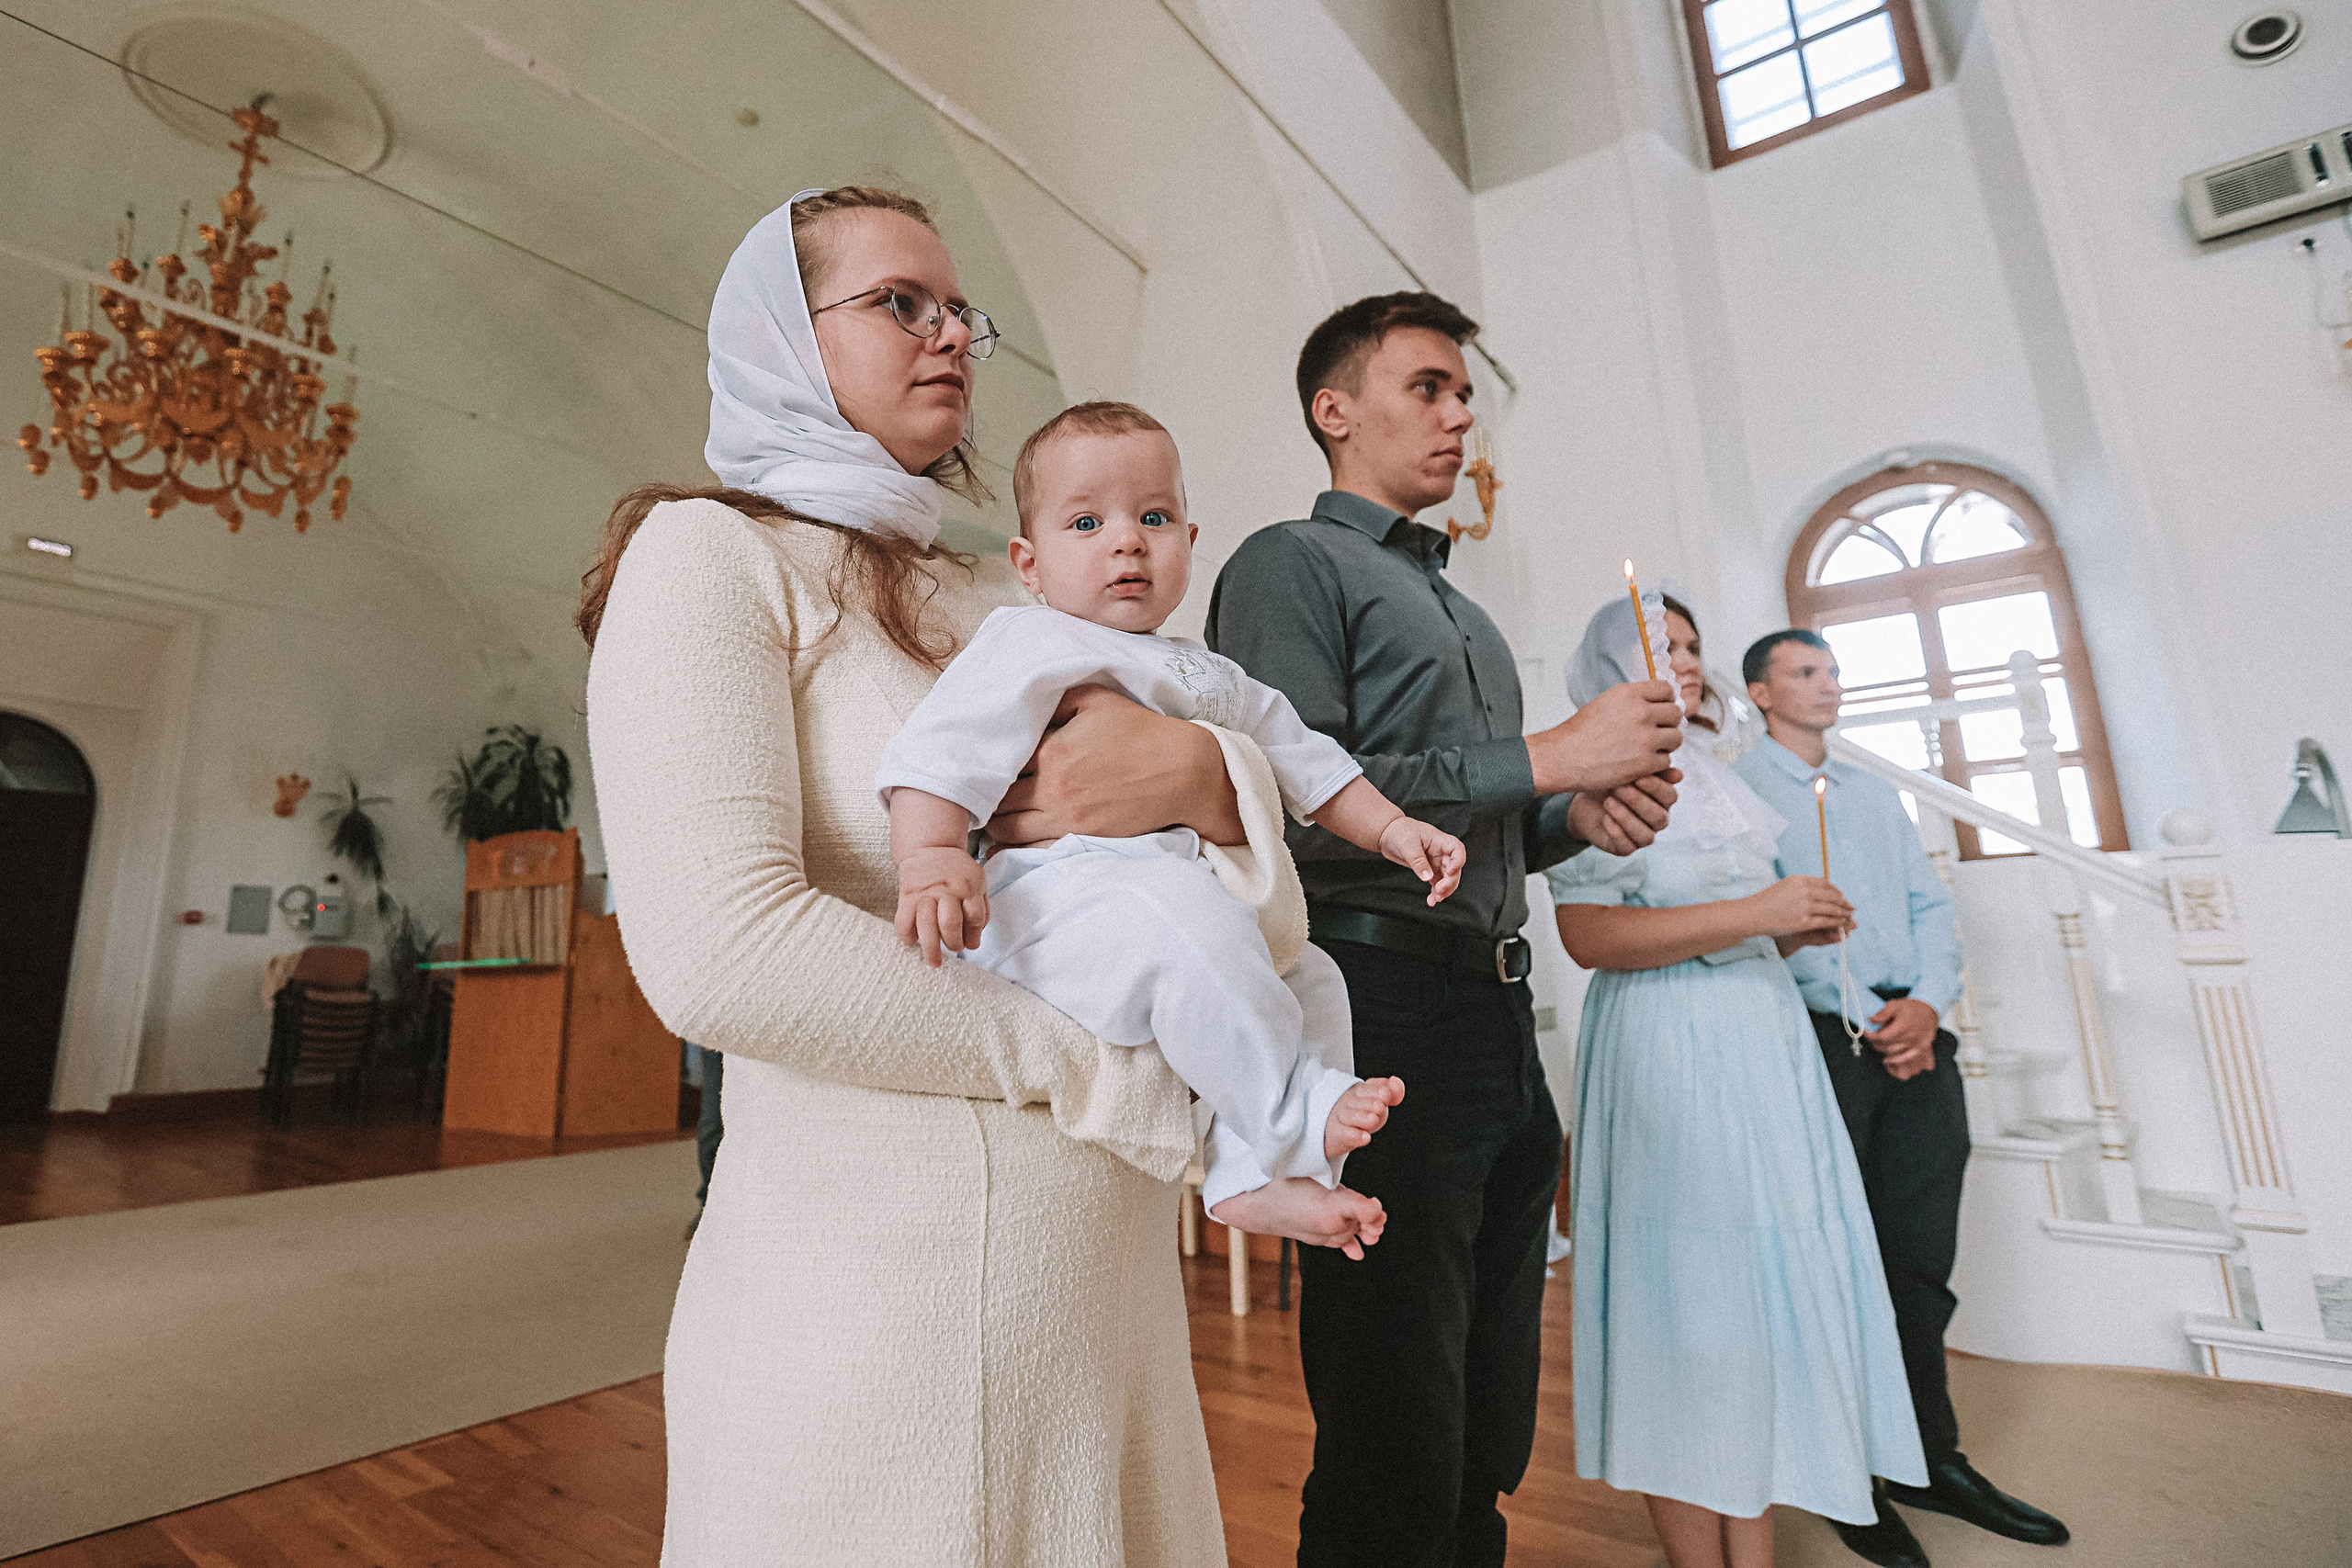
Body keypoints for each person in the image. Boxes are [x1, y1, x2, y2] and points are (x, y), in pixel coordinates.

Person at [582, 186, 1271, 1565]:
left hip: (1105, 1311)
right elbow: (723, 947)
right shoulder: (711, 558)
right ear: (784, 335)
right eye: (901, 303)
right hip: (875, 1320)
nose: (950, 333)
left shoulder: (1015, 600)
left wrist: (1208, 781)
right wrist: (1111, 1068)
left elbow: (1240, 885)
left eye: (963, 309)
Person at [1204, 290, 1685, 1568]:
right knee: (1393, 1411)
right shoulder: (1286, 564)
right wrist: (1543, 752)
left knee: (1485, 1408)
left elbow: (1487, 831)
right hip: (1375, 1001)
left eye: (1465, 394)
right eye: (1429, 386)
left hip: (1496, 1010)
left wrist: (1579, 808)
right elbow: (1291, 807)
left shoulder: (1467, 617)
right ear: (1335, 408)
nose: (1460, 414)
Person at [879, 400, 1469, 1249]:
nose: (1127, 540)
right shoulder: (1027, 639)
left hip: (1167, 906)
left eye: (1154, 517)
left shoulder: (1211, 672)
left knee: (1316, 980)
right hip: (1053, 905)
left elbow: (1308, 759)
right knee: (1184, 919)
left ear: (1191, 542)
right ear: (1030, 562)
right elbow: (940, 754)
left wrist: (1390, 829)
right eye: (1087, 521)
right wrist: (932, 856)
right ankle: (1287, 1112)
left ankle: (1264, 1176)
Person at [1550, 592, 1925, 1568]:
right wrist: (1756, 912)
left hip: (1764, 1043)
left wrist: (1790, 923)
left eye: (1687, 645)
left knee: (1763, 1304)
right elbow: (1590, 938)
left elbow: (1745, 915)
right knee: (1687, 1313)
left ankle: (1752, 1557)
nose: (1677, 660)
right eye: (1653, 645)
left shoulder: (1718, 778)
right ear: (1602, 667)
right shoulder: (1589, 781)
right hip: (1668, 1040)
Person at [1735, 629, 2071, 1567]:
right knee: (1839, 1266)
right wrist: (1866, 1019)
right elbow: (1765, 929)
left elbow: (1928, 907)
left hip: (1911, 1031)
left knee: (1918, 1258)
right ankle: (1851, 1478)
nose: (1828, 685)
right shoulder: (1740, 794)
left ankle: (1933, 1460)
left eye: (1833, 670)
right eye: (1806, 672)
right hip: (1823, 1043)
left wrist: (1922, 1005)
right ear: (1760, 692)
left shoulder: (1873, 792)